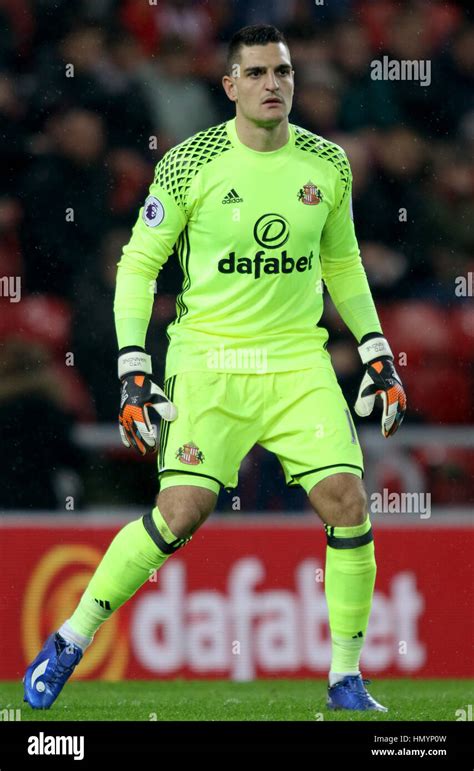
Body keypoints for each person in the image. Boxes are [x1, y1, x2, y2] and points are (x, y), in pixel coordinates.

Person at [24, 24, 406, 713]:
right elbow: (139, 264)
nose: (272, 84)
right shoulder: (189, 163)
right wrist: (134, 366)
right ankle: (71, 639)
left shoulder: (328, 163)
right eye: (256, 73)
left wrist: (377, 348)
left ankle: (346, 679)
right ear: (230, 85)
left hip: (297, 360)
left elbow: (342, 262)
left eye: (282, 72)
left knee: (348, 501)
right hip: (209, 358)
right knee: (179, 513)